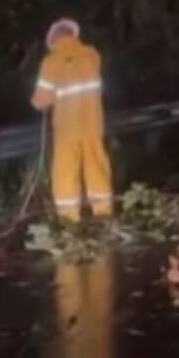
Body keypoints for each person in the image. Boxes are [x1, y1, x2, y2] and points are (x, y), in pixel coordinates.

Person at [31, 18, 113, 222]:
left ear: (54, 40)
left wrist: (35, 102)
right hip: (93, 125)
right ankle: (103, 212)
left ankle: (69, 218)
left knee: (66, 170)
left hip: (68, 128)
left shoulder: (51, 62)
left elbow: (42, 99)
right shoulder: (92, 56)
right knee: (97, 166)